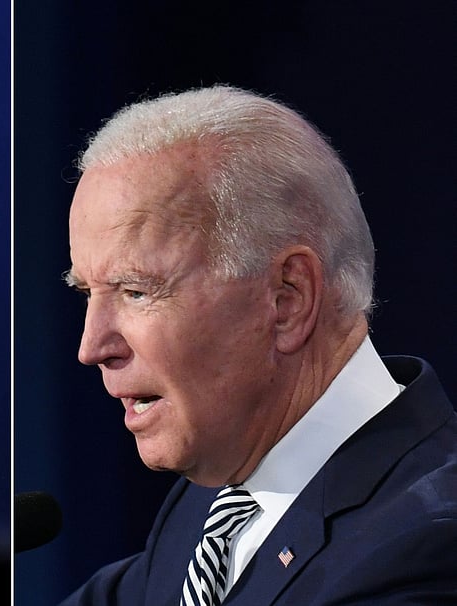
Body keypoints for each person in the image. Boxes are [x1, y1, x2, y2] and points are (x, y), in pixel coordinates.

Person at [58, 85, 457, 605]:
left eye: (136, 291)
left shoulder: (429, 544)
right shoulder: (211, 505)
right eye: (89, 293)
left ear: (286, 300)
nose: (92, 347)